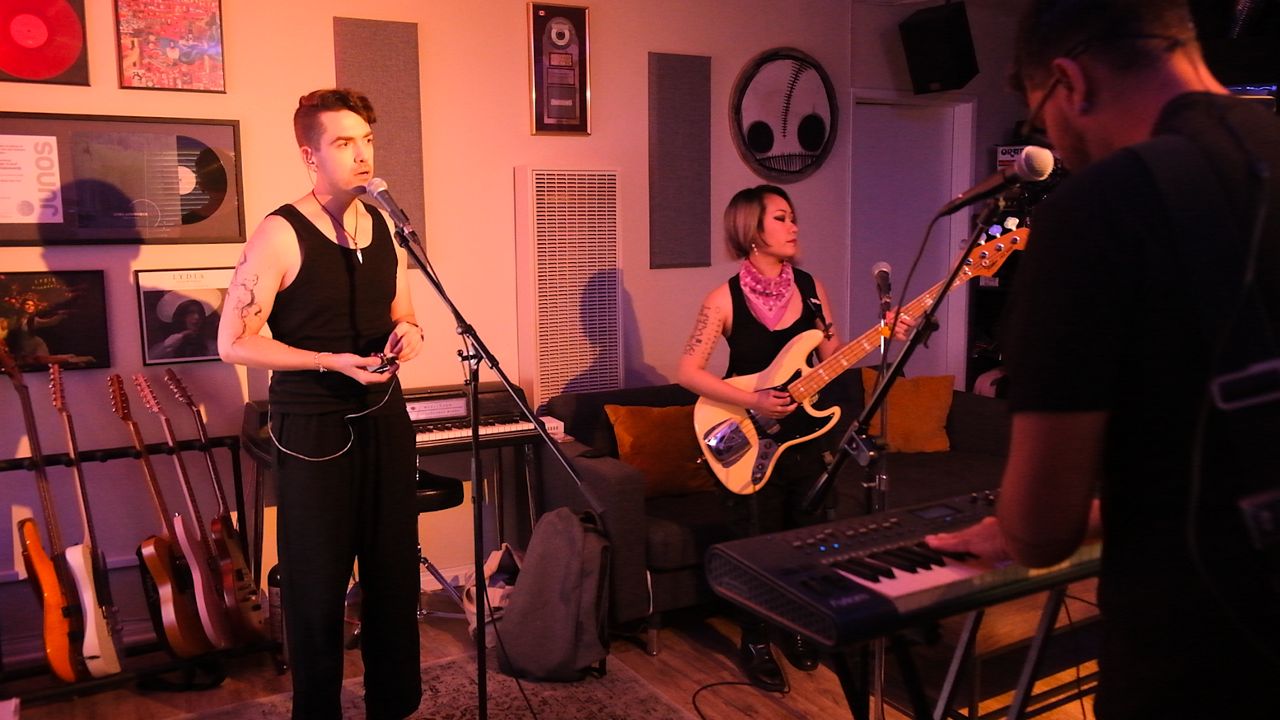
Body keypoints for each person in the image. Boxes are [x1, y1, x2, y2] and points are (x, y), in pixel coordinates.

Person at [927, 2, 1280, 717]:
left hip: (1202, 666)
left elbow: (1041, 531)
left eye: (1040, 120)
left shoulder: (1099, 208)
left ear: (1071, 82)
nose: (1052, 140)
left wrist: (1015, 526)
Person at [217, 88, 425, 720]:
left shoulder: (384, 224)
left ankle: (394, 703)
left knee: (393, 569)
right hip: (313, 428)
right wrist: (327, 360)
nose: (362, 155)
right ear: (310, 155)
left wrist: (410, 334)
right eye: (343, 142)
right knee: (317, 582)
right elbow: (233, 342)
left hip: (384, 416)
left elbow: (404, 311)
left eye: (367, 140)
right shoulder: (280, 232)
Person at [676, 185, 910, 692]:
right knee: (754, 544)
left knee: (805, 539)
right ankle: (755, 638)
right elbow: (688, 372)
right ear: (751, 231)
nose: (794, 226)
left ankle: (797, 626)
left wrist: (881, 335)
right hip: (748, 434)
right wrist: (754, 400)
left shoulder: (811, 288)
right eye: (781, 218)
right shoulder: (722, 299)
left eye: (793, 216)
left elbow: (832, 357)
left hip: (805, 437)